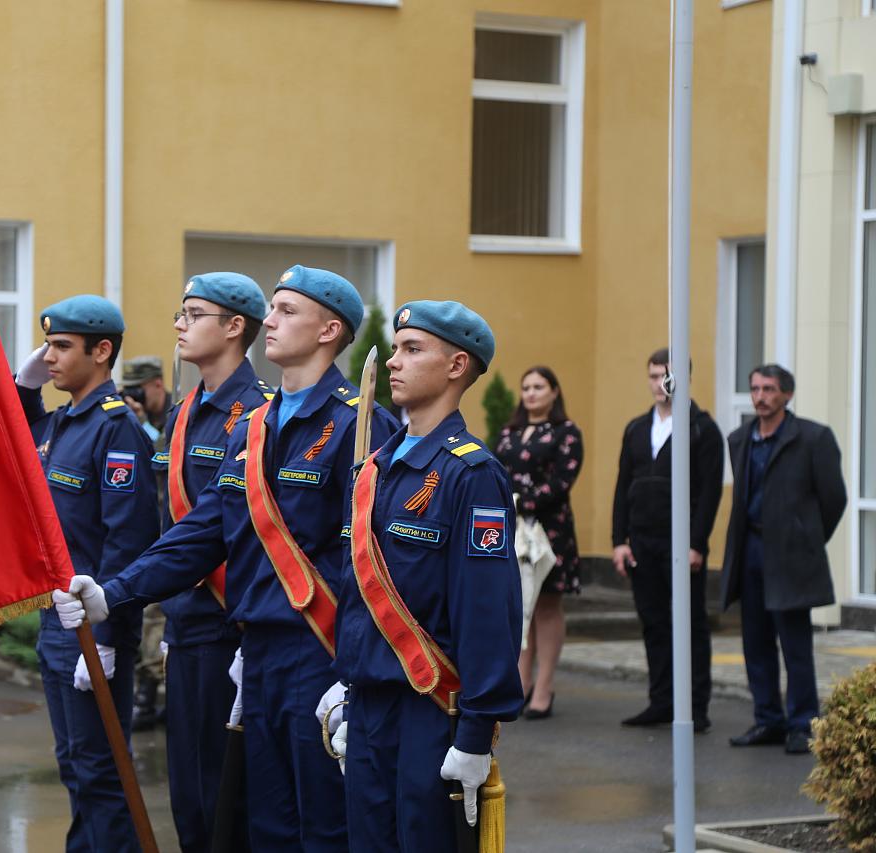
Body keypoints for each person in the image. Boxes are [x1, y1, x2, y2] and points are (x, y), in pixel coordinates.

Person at [54, 265, 399, 852]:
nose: (270, 318)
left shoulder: (360, 426)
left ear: (328, 330)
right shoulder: (257, 428)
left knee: (325, 826)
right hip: (257, 650)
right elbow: (204, 529)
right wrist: (115, 592)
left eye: (289, 310)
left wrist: (353, 674)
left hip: (321, 654)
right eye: (275, 307)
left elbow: (369, 565)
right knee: (262, 825)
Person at [325, 299, 524, 851]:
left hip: (429, 714)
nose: (393, 361)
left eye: (412, 350)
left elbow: (487, 612)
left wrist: (476, 733)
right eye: (395, 348)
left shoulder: (472, 474)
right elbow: (358, 592)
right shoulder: (375, 467)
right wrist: (346, 684)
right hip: (368, 709)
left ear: (457, 366)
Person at [14, 295, 159, 853]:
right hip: (58, 620)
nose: (49, 357)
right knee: (75, 763)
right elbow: (12, 423)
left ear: (102, 352)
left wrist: (105, 639)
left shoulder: (114, 429)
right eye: (46, 346)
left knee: (101, 769)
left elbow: (127, 542)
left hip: (90, 626)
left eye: (60, 347)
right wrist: (24, 385)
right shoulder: (64, 423)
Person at [152, 271, 273, 852]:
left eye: (193, 313)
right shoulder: (183, 413)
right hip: (189, 623)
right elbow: (171, 525)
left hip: (232, 629)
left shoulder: (260, 414)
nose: (180, 324)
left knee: (227, 798)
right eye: (181, 312)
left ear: (234, 327)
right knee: (188, 797)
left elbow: (250, 534)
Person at [721, 364, 846, 755]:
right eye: (755, 389)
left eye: (769, 389)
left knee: (795, 645)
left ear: (787, 395)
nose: (761, 396)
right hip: (751, 549)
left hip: (791, 554)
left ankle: (803, 723)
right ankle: (768, 720)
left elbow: (834, 499)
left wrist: (805, 536)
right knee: (755, 642)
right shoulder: (740, 438)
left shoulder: (812, 437)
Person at [612, 348, 723, 732]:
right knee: (654, 623)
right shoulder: (636, 428)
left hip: (681, 545)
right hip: (642, 542)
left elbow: (709, 494)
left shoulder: (702, 429)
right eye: (654, 375)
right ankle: (661, 702)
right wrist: (618, 540)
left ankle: (696, 708)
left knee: (691, 624)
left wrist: (697, 543)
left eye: (668, 375)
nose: (661, 383)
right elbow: (623, 486)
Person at [494, 366, 583, 719]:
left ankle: (544, 685)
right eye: (526, 387)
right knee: (520, 607)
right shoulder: (509, 431)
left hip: (550, 530)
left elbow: (563, 480)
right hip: (511, 529)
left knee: (545, 605)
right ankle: (521, 682)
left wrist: (521, 501)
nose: (530, 393)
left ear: (554, 391)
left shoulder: (566, 432)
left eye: (538, 386)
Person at [119, 355, 171, 732]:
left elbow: (166, 459)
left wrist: (144, 429)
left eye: (141, 387)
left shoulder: (177, 411)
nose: (137, 395)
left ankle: (158, 695)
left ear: (157, 384)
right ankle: (147, 697)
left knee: (157, 619)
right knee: (146, 617)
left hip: (172, 533)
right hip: (149, 528)